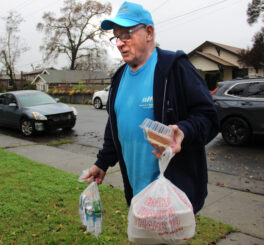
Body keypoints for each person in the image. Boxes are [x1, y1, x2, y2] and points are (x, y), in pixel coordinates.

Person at [84, 1, 219, 216]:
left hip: (173, 196)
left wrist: (184, 131)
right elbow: (115, 126)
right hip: (138, 195)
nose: (119, 43)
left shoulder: (175, 68)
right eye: (116, 36)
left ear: (148, 32)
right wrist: (102, 163)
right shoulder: (119, 78)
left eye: (126, 34)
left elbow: (209, 117)